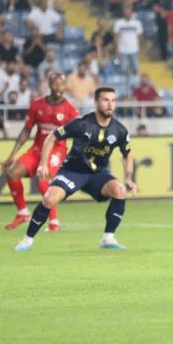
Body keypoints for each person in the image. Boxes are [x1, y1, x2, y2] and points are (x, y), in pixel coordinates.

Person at [14, 87, 136, 252]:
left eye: (113, 100)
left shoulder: (120, 130)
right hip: (73, 171)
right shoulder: (82, 123)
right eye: (105, 100)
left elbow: (127, 154)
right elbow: (52, 136)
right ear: (96, 102)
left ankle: (108, 238)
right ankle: (27, 240)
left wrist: (128, 177)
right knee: (49, 199)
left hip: (97, 174)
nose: (110, 104)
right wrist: (43, 163)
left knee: (119, 190)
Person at [1, 73, 79, 232]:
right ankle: (22, 213)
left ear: (65, 87)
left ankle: (54, 221)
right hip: (37, 149)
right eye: (55, 84)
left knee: (42, 177)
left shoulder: (70, 110)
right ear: (49, 85)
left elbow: (79, 134)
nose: (59, 88)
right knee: (12, 173)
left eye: (62, 85)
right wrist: (12, 155)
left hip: (57, 150)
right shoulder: (37, 105)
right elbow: (26, 130)